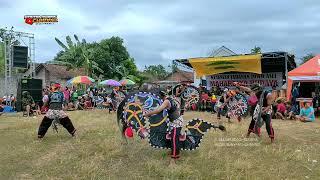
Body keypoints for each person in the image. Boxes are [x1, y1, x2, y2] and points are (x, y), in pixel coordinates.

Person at [144, 91, 185, 162]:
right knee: (173, 138)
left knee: (174, 139)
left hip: (176, 122)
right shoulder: (170, 98)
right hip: (176, 120)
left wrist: (148, 114)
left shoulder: (166, 101)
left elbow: (158, 110)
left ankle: (174, 157)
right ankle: (174, 152)